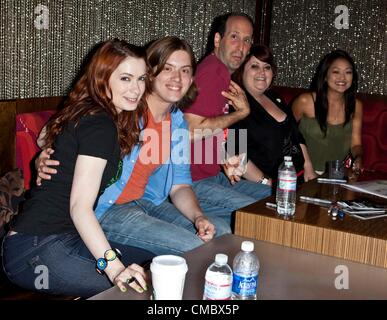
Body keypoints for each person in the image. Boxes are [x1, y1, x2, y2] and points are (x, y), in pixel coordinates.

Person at [35, 37, 231, 256]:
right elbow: (51, 133)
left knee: (221, 232)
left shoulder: (177, 122)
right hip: (108, 208)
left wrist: (198, 216)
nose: (177, 78)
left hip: (147, 201)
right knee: (193, 248)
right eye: (168, 68)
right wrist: (43, 155)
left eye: (185, 71)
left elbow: (180, 185)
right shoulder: (125, 106)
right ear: (152, 73)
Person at [2, 39, 154, 298]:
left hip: (49, 239)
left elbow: (42, 137)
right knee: (137, 288)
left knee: (154, 264)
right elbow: (79, 208)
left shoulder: (88, 111)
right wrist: (115, 268)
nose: (136, 88)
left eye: (141, 79)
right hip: (37, 248)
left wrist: (45, 153)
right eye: (125, 79)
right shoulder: (101, 125)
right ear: (103, 79)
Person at [183, 13, 272, 226]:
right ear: (217, 40)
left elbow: (220, 137)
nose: (240, 46)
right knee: (263, 216)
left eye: (247, 40)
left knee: (273, 201)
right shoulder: (212, 73)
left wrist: (265, 181)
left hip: (214, 176)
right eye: (234, 37)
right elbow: (190, 131)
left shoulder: (223, 75)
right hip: (195, 182)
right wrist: (241, 113)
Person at [229, 44, 317, 184]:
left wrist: (308, 167)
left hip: (297, 178)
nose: (262, 72)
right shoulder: (235, 105)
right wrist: (267, 183)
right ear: (241, 70)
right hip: (265, 187)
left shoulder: (274, 97)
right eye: (254, 66)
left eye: (267, 67)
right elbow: (235, 152)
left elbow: (295, 134)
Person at [292, 49, 363, 175]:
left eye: (348, 72)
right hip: (303, 172)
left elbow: (355, 143)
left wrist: (358, 157)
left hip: (337, 174)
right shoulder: (305, 101)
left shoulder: (356, 105)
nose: (342, 77)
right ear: (325, 75)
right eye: (336, 72)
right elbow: (285, 134)